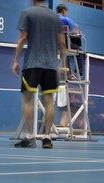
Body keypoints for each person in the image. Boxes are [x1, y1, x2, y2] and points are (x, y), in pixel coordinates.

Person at [12, 0, 67, 148]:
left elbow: (22, 37)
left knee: (27, 100)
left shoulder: (27, 13)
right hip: (50, 66)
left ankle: (30, 137)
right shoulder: (56, 17)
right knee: (49, 101)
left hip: (32, 64)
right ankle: (47, 138)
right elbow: (62, 43)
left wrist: (16, 60)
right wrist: (62, 64)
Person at [56, 3, 84, 79]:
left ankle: (67, 73)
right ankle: (78, 72)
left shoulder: (53, 19)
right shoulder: (65, 19)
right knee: (80, 52)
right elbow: (76, 31)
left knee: (65, 53)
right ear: (64, 11)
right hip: (64, 44)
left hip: (54, 45)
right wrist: (79, 33)